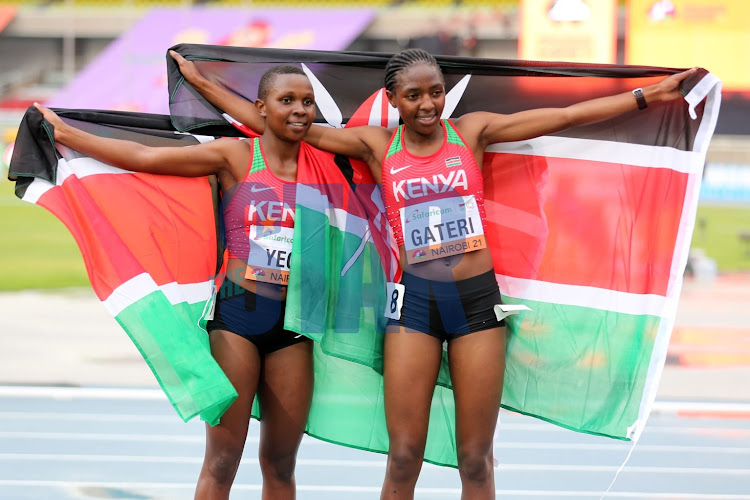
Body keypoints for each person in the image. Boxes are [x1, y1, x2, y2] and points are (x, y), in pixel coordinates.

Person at [171, 48, 696, 500]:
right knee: (403, 457)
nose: (428, 105)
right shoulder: (377, 146)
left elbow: (563, 117)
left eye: (436, 93)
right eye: (415, 95)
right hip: (414, 305)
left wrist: (648, 96)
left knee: (475, 459)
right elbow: (284, 124)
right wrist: (203, 85)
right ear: (394, 100)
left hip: (476, 303)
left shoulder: (472, 132)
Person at [34, 64, 322, 500]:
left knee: (281, 465)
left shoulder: (329, 165)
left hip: (296, 323)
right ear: (261, 108)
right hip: (240, 317)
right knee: (222, 461)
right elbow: (147, 158)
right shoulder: (236, 156)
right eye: (287, 101)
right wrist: (68, 136)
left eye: (307, 101)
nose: (300, 110)